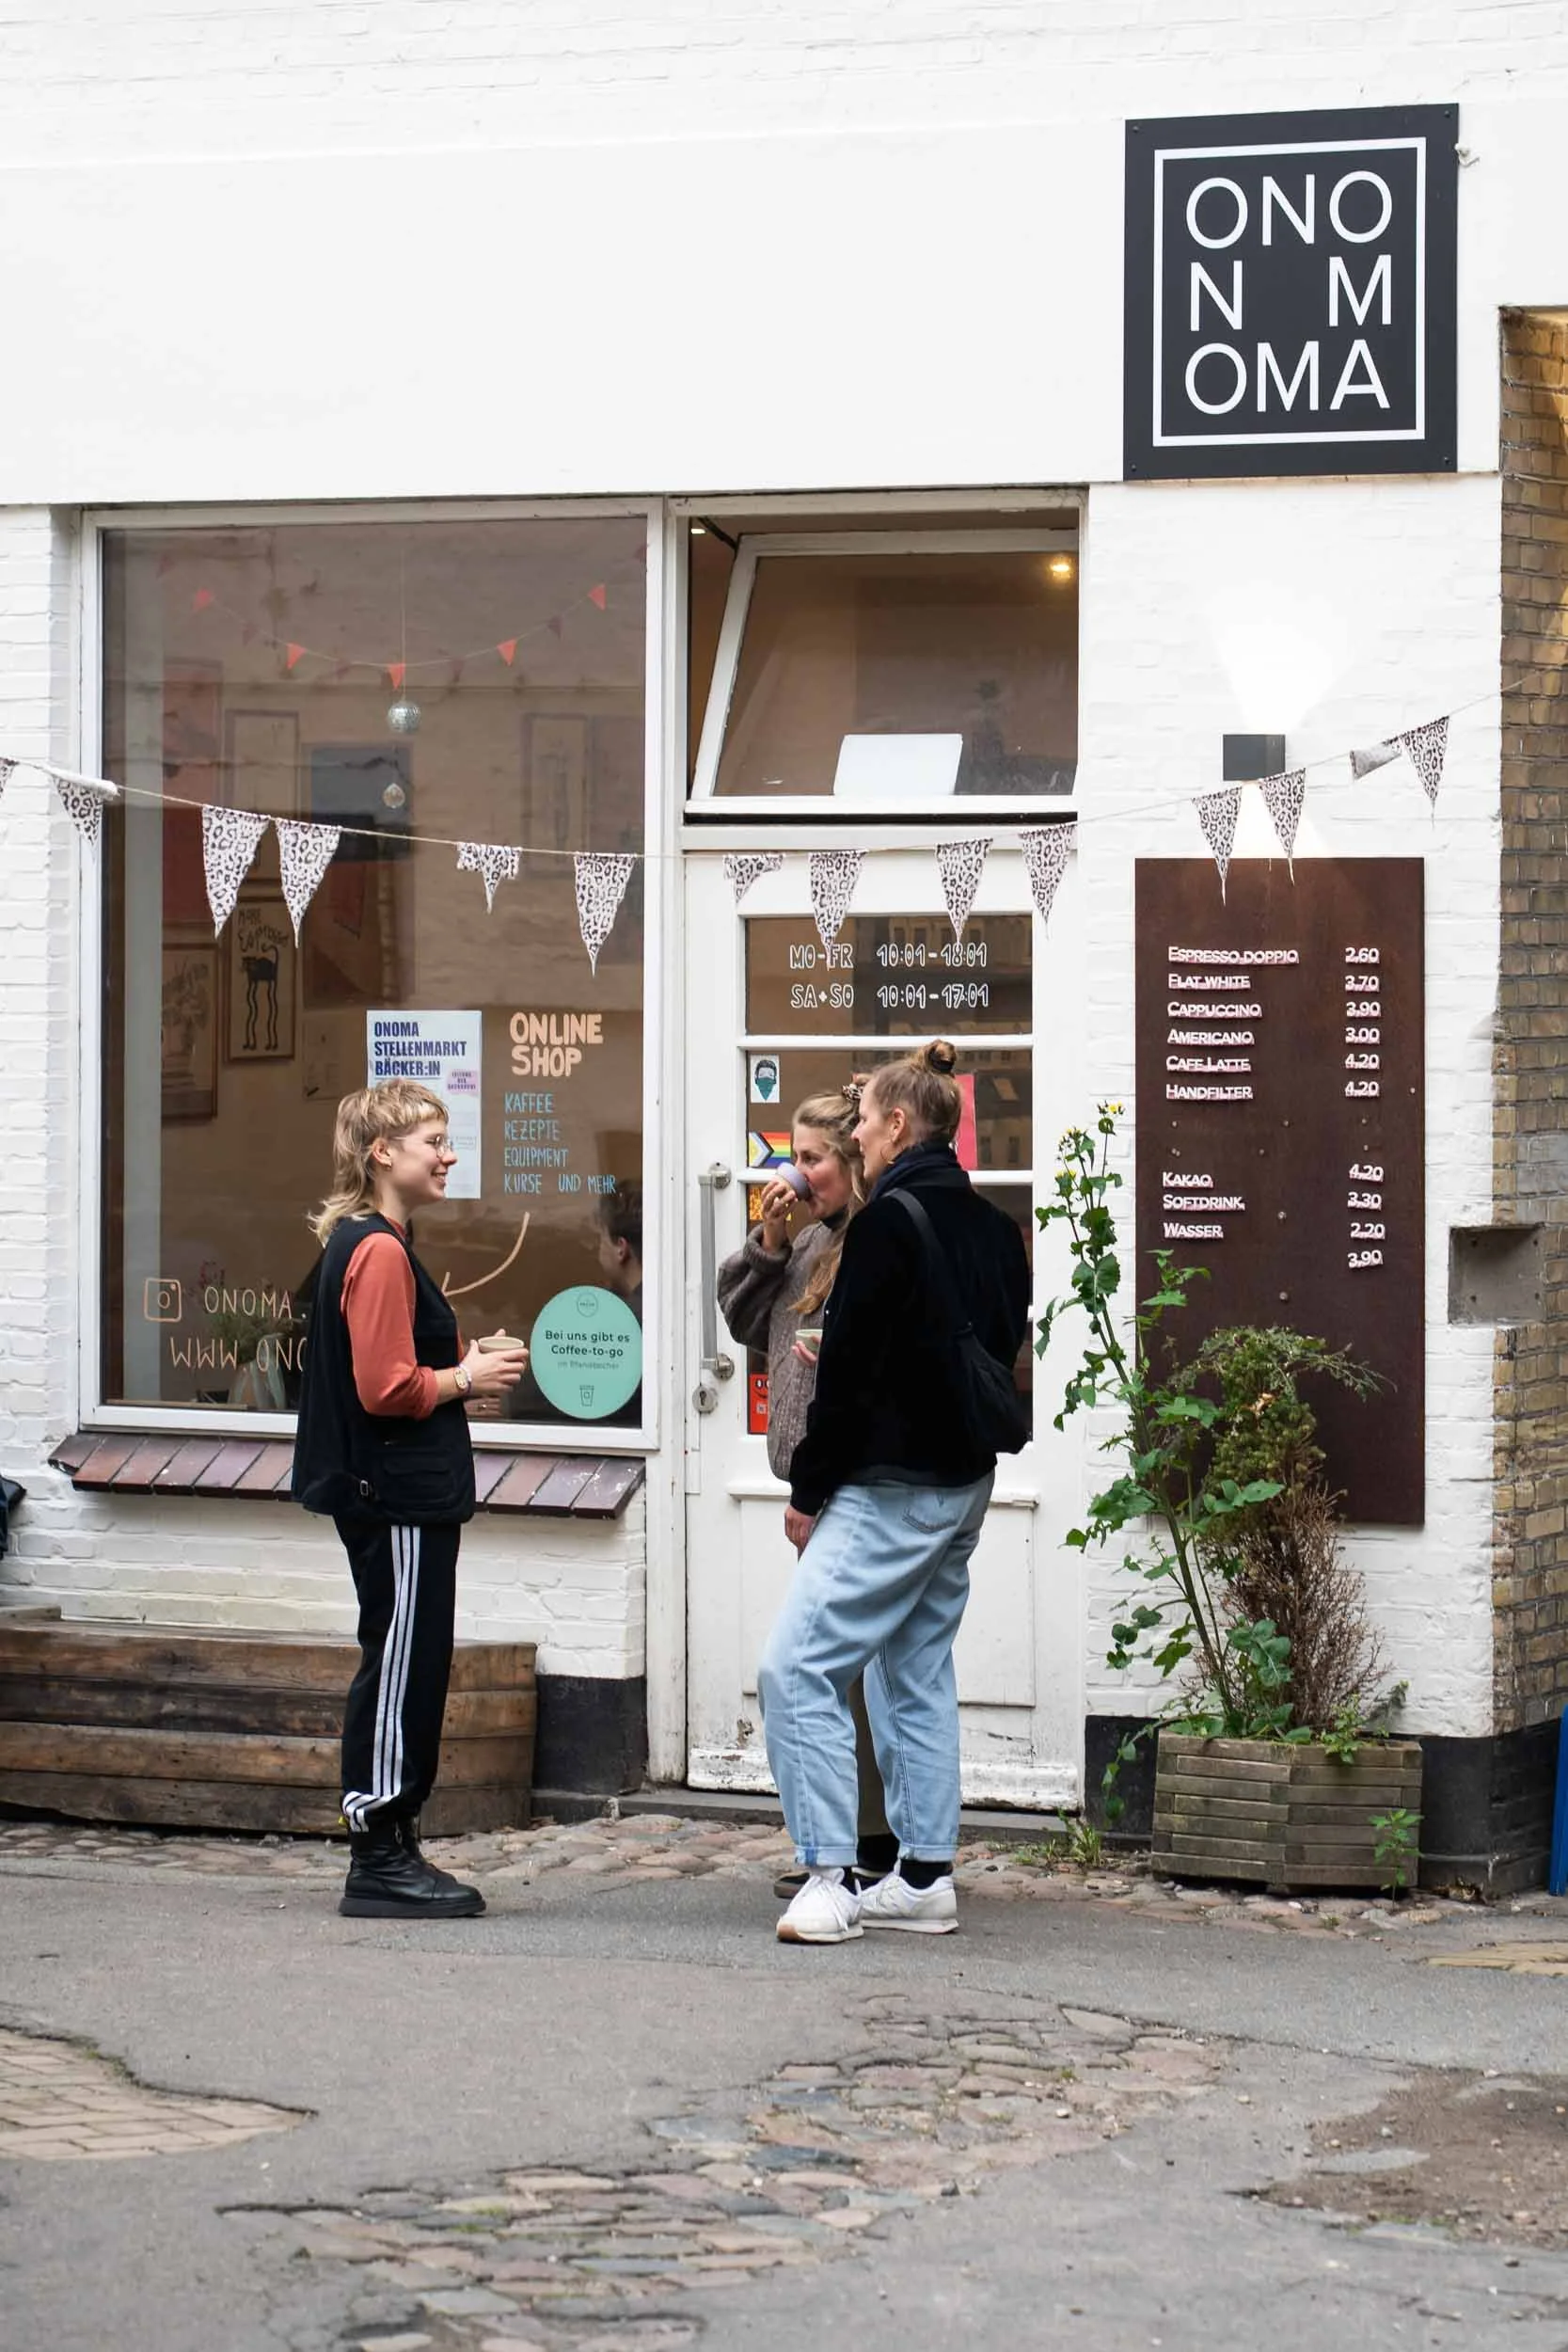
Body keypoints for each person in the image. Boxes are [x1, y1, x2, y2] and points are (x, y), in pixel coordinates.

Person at [757, 1041, 1031, 1947]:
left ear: (900, 1125)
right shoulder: (995, 1228)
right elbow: (996, 1349)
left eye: (866, 1117)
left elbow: (852, 1380)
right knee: (912, 1673)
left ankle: (831, 1878)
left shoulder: (884, 1226)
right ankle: (922, 1877)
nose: (859, 1131)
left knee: (797, 1669)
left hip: (889, 1487)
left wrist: (808, 1487)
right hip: (965, 1485)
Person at [292, 1080, 529, 1919]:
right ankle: (380, 1851)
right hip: (395, 1495)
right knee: (400, 1665)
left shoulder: (373, 1241)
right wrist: (461, 1378)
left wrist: (464, 1379)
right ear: (381, 1152)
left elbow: (397, 1376)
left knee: (406, 1658)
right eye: (435, 1138)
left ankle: (393, 1845)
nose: (449, 1153)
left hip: (399, 1493)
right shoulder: (380, 1250)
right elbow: (385, 1387)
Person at [716, 1092, 897, 1896]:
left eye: (815, 1157)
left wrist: (818, 1486)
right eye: (795, 1156)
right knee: (842, 1672)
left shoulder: (871, 1243)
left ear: (853, 1161)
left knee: (841, 1672)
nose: (797, 1173)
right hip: (816, 1480)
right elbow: (744, 1325)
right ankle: (860, 1839)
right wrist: (769, 1241)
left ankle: (866, 1845)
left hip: (850, 1480)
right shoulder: (810, 1241)